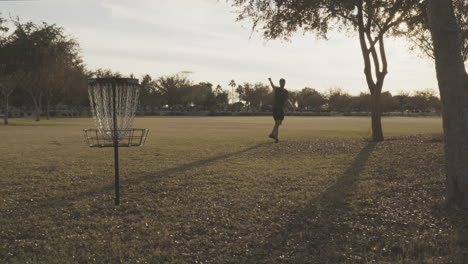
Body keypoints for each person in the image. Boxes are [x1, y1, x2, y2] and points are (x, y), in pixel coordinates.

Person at [268, 77, 294, 143]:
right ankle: (276, 138)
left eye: (283, 82)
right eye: (281, 82)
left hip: (281, 109)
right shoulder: (277, 89)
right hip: (276, 108)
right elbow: (273, 86)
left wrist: (291, 105)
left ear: (285, 83)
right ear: (279, 83)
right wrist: (270, 81)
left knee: (279, 123)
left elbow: (287, 100)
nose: (282, 84)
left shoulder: (285, 92)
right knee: (277, 123)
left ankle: (272, 134)